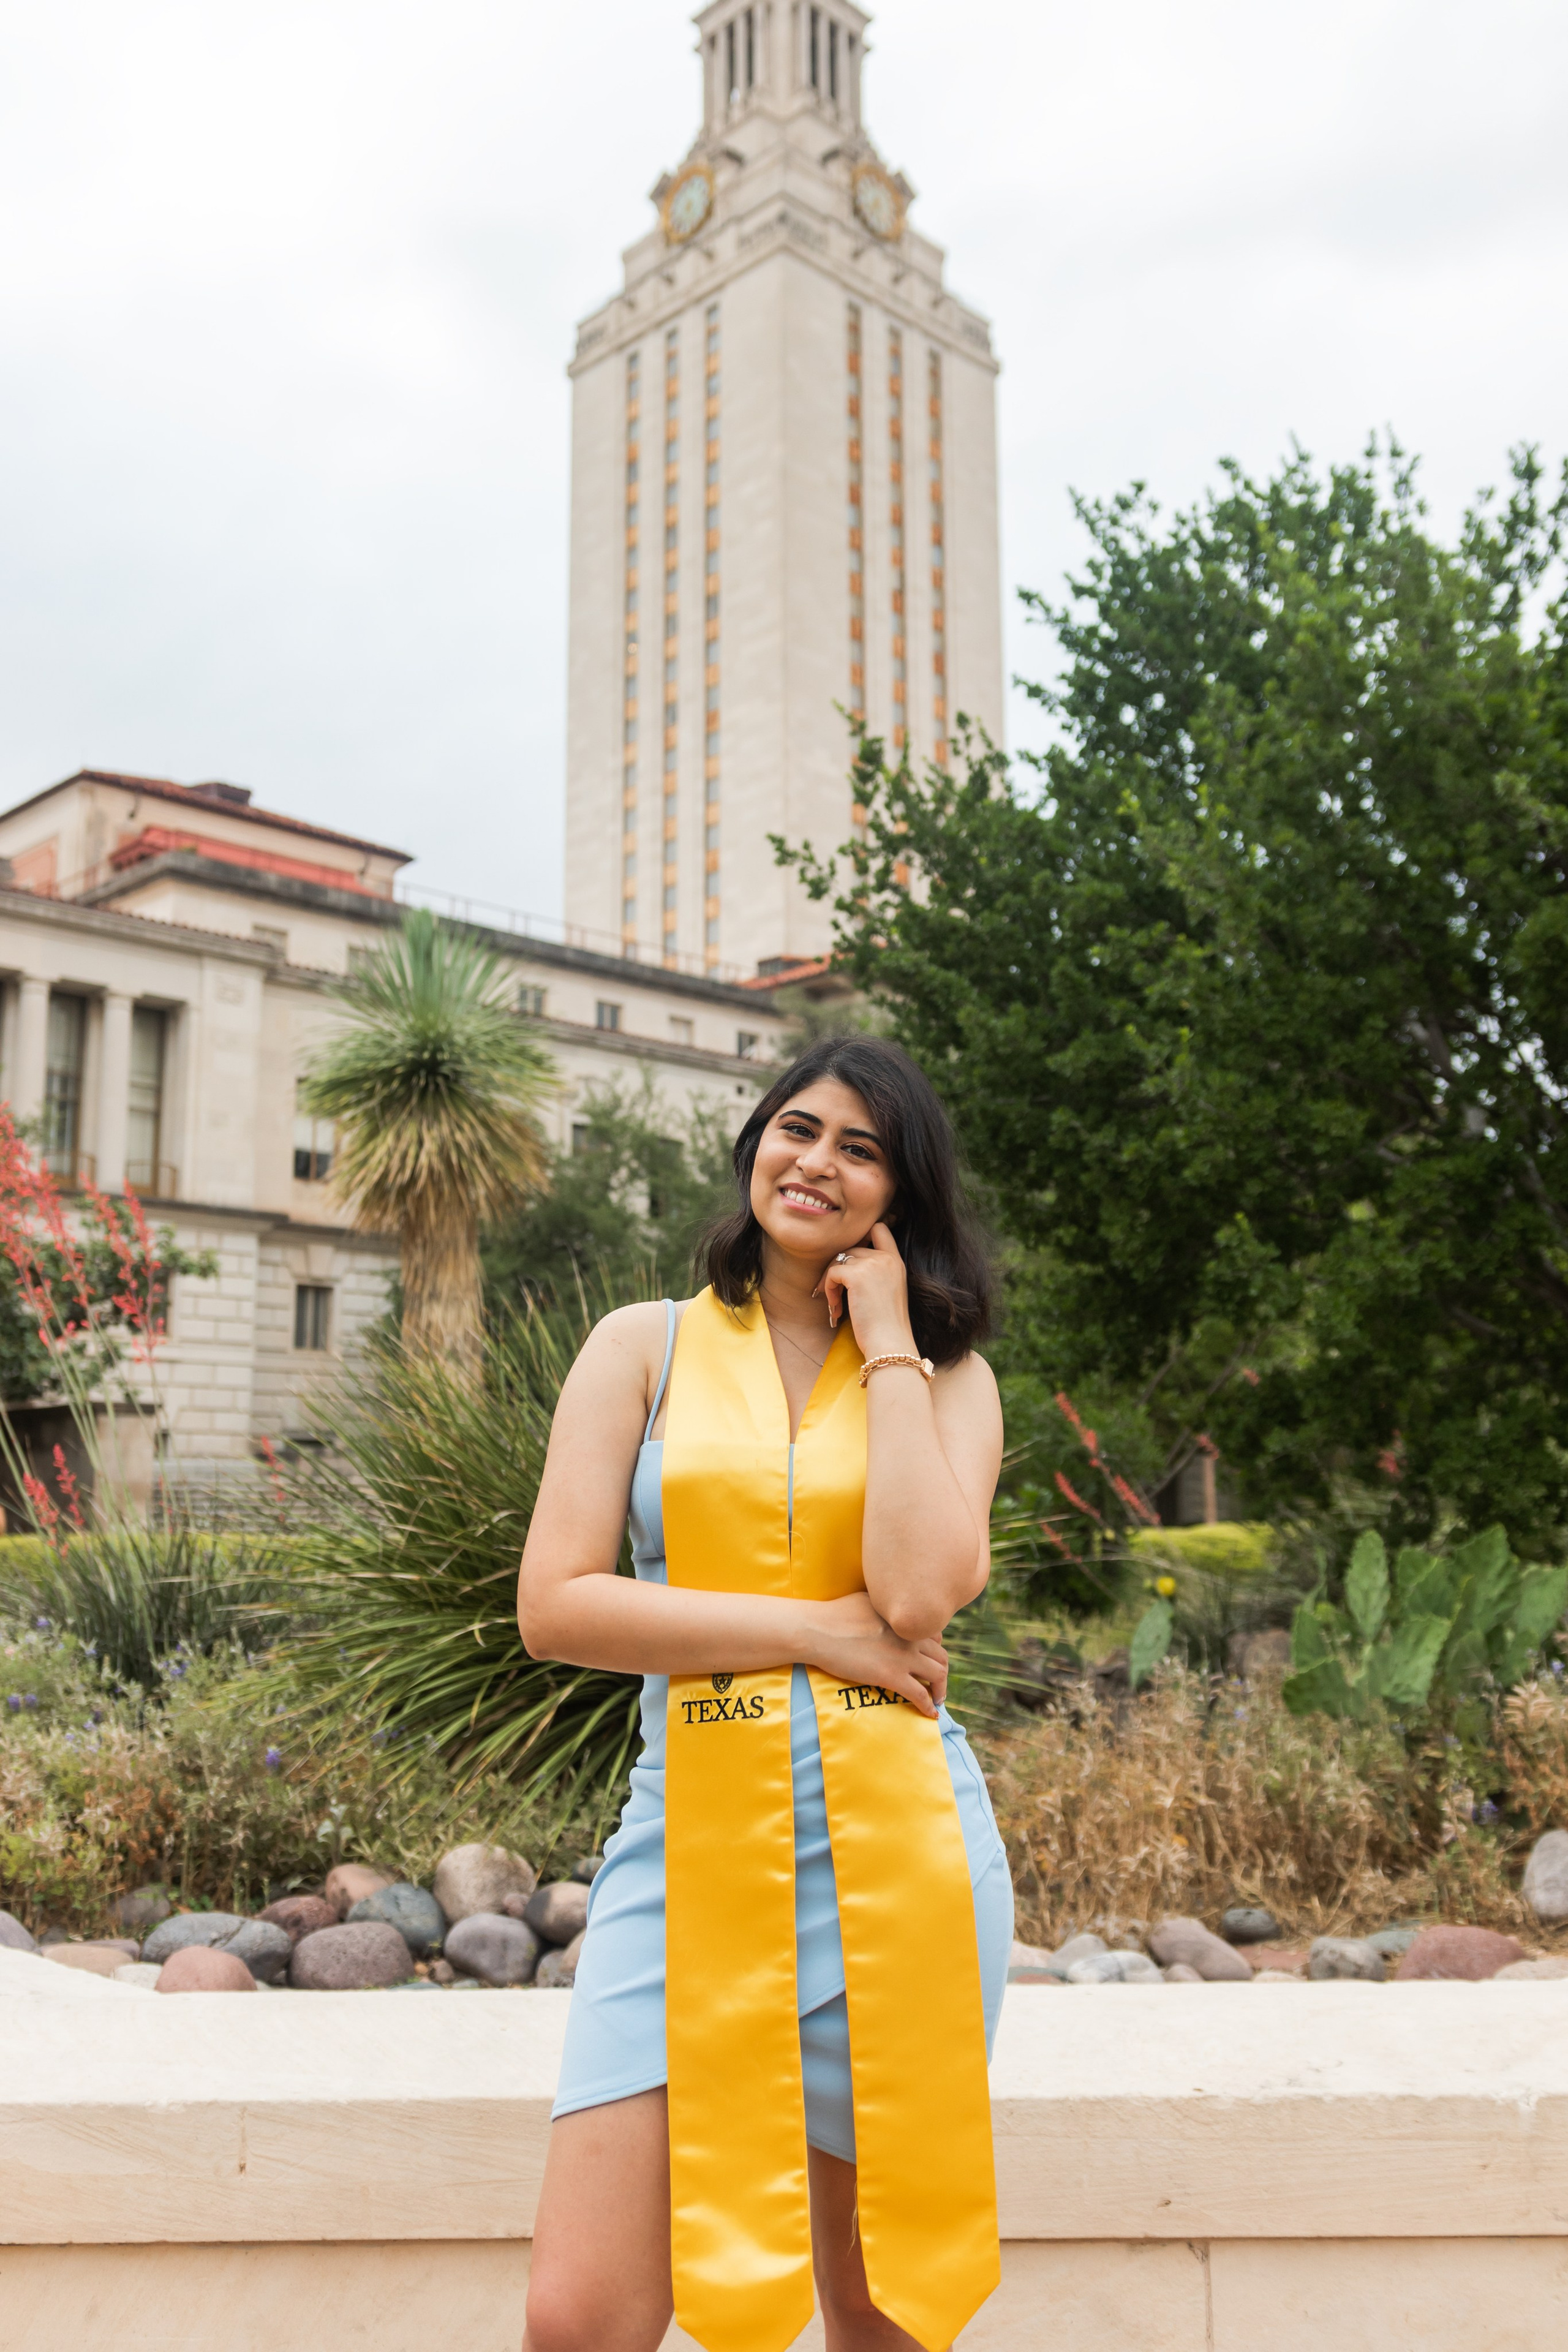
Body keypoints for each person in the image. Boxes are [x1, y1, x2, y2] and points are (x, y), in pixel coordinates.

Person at [517, 1036, 1012, 2352]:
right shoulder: (642, 1347)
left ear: (898, 1195)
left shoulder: (951, 1384)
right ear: (753, 1146)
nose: (818, 1164)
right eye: (798, 1129)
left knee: (882, 2313)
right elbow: (556, 1607)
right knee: (579, 2319)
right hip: (682, 1844)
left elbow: (915, 1599)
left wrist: (894, 1339)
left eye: (862, 1149)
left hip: (898, 1855)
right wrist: (813, 1635)